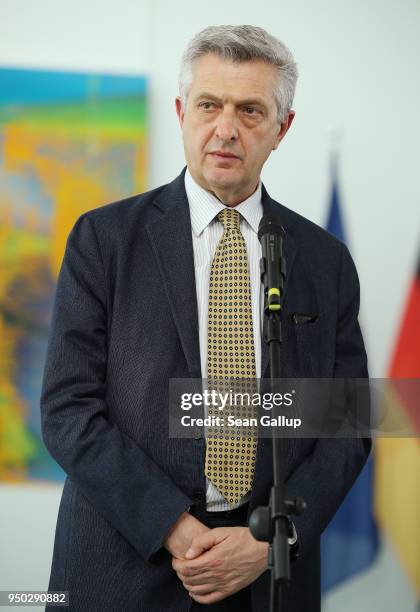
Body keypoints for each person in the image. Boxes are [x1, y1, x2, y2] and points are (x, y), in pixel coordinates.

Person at [40, 25, 370, 612]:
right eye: (209, 105)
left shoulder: (325, 260)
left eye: (250, 110)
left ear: (281, 128)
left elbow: (346, 424)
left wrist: (271, 540)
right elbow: (69, 410)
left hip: (269, 578)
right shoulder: (103, 239)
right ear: (181, 111)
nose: (226, 129)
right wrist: (176, 528)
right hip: (121, 568)